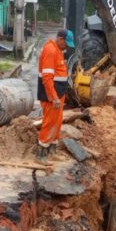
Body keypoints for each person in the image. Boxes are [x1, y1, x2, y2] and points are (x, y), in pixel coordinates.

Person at [37, 29, 74, 162]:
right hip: (51, 95)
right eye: (66, 44)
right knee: (50, 122)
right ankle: (40, 154)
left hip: (59, 93)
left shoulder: (58, 50)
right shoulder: (50, 51)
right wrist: (54, 97)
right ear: (60, 39)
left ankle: (52, 150)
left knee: (57, 121)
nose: (67, 47)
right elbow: (47, 78)